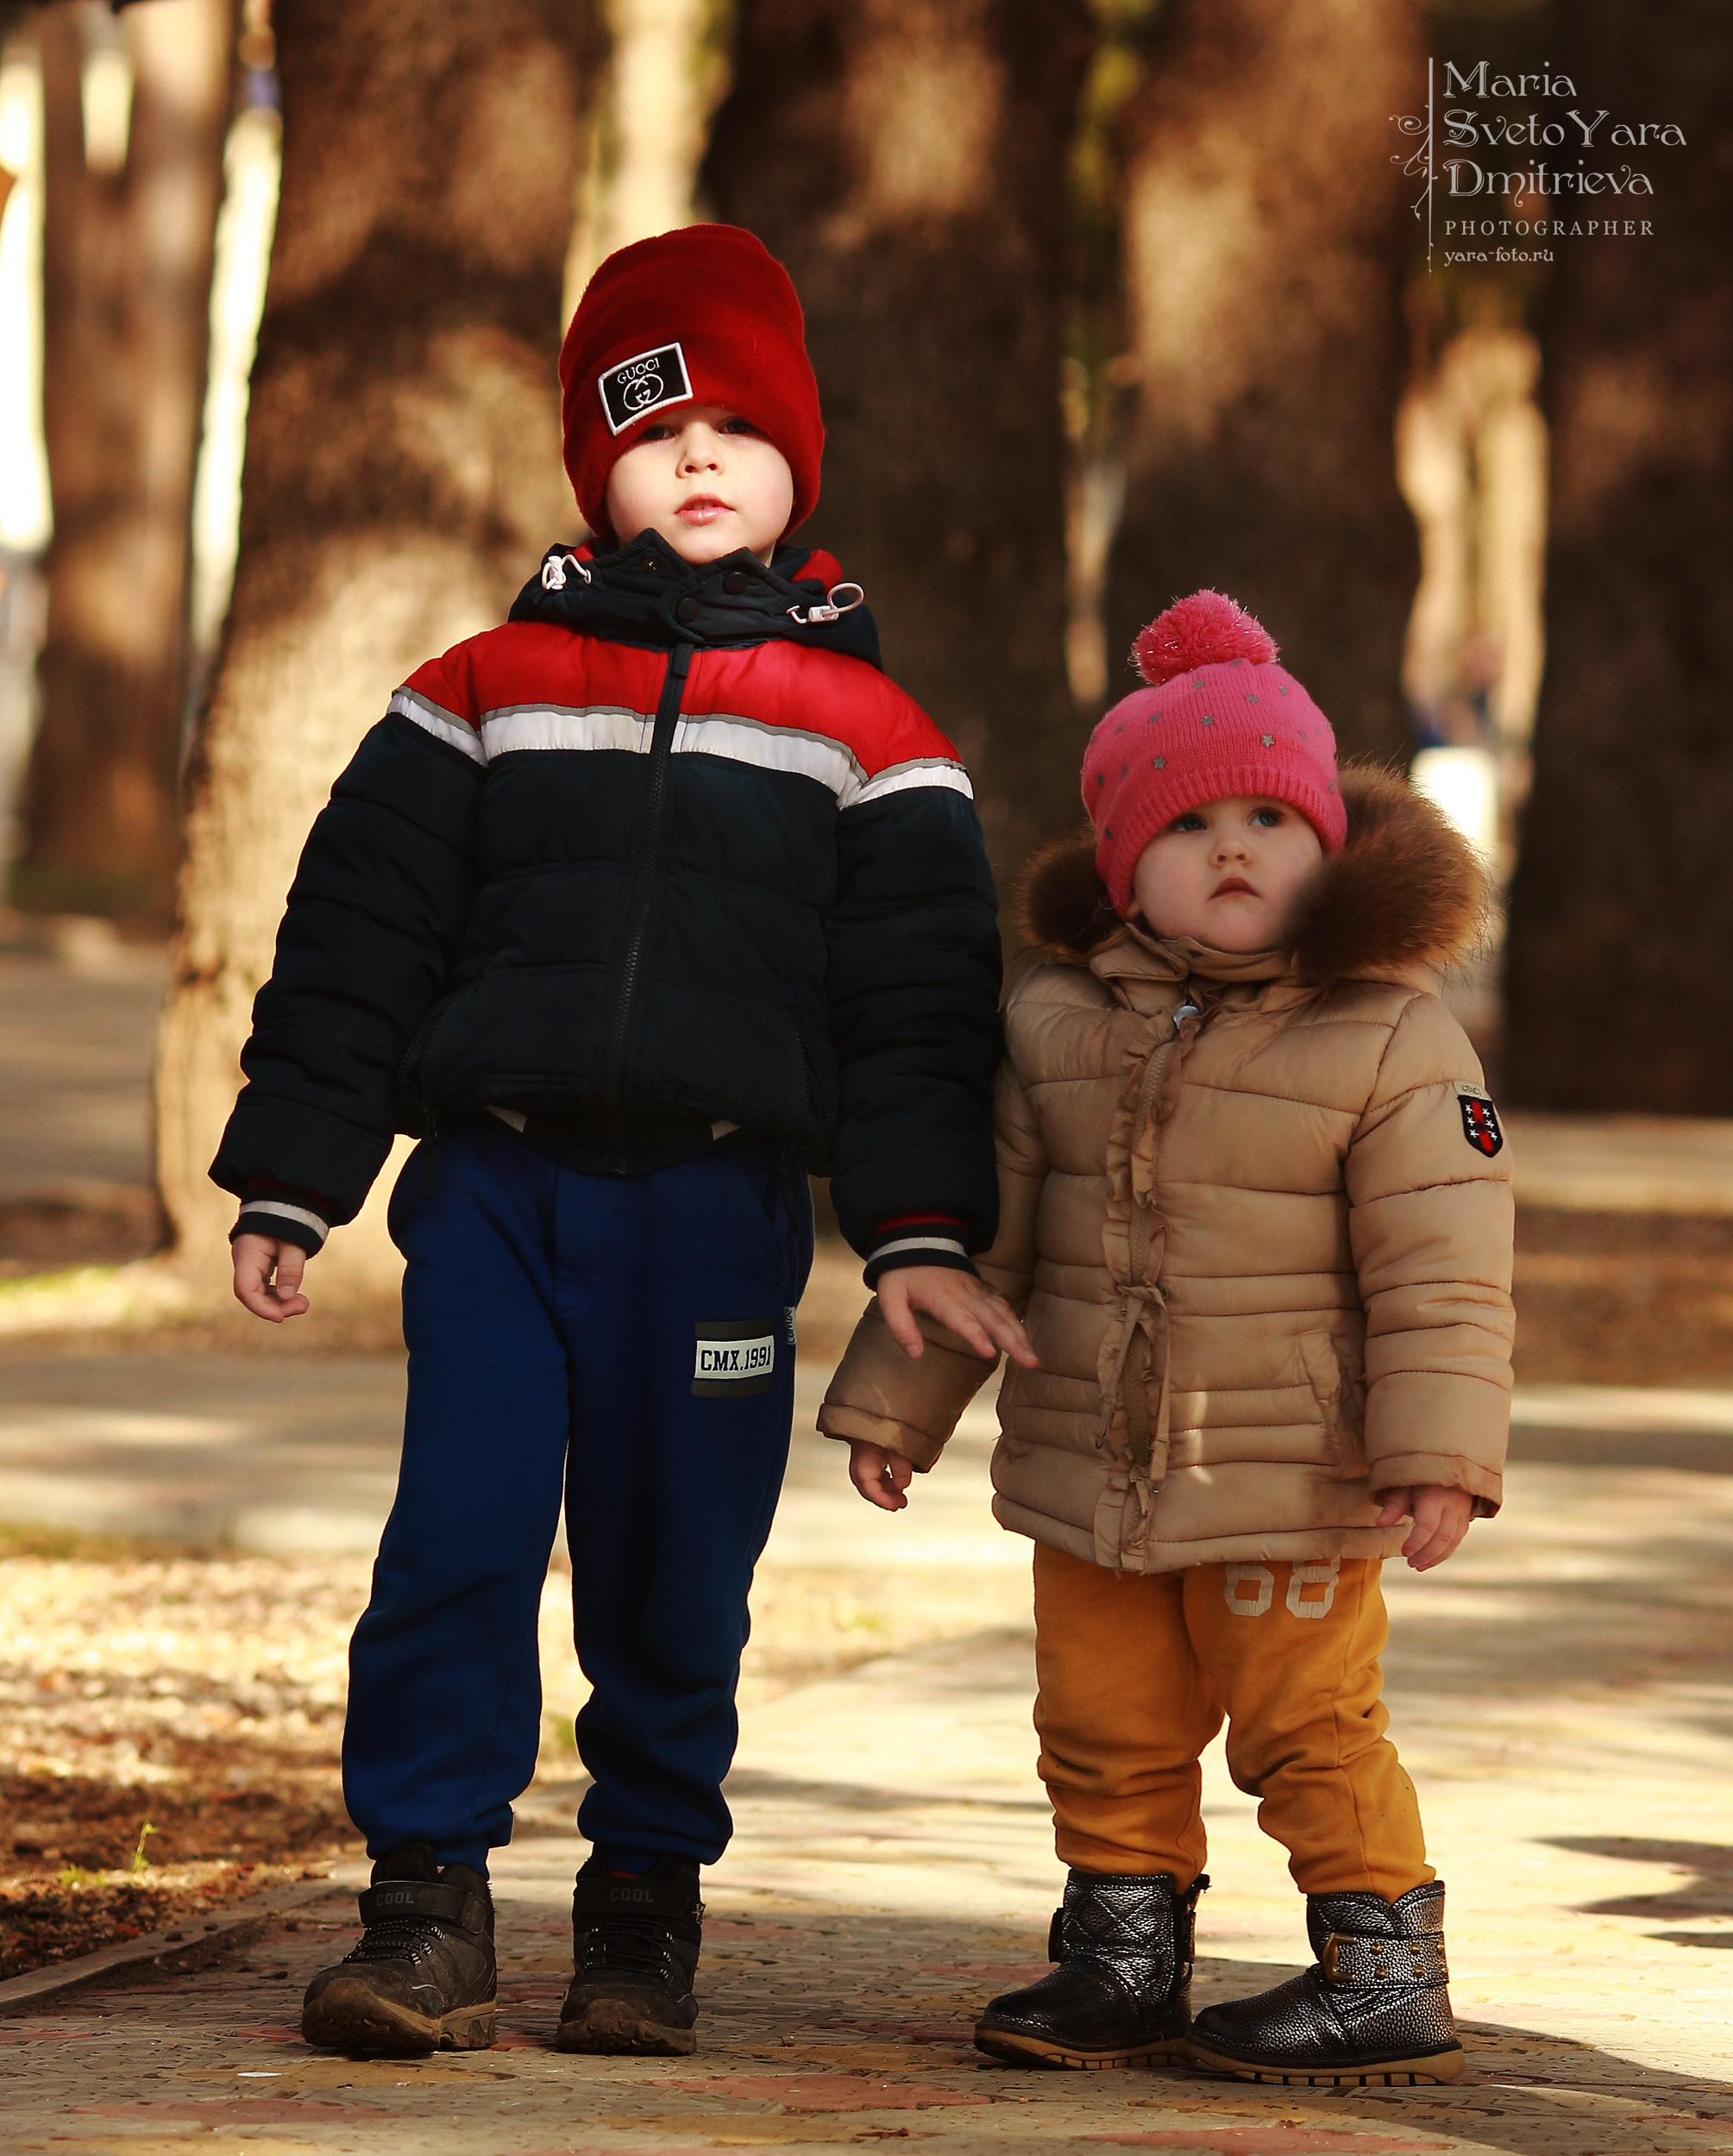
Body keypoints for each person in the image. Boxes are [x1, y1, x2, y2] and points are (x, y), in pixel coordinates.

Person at [215, 224, 1029, 2059]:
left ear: (797, 460)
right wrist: (297, 1165)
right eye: (663, 431)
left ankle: (643, 1899)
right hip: (500, 1193)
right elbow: (360, 938)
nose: (704, 458)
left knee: (676, 1565)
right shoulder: (485, 686)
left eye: (743, 427)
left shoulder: (872, 735)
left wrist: (913, 1227)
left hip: (719, 1210)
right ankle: (424, 1897)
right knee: (462, 1536)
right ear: (601, 466)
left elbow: (920, 1003)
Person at [819, 589, 1514, 2087]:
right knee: (1100, 1717)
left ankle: (1380, 1962)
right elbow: (982, 1237)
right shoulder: (1057, 1021)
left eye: (1272, 815)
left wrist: (1439, 1450)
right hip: (1091, 1460)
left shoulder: (1390, 1037)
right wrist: (898, 1404)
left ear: (1330, 844)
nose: (1236, 848)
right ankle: (1121, 1953)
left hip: (1291, 1467)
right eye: (1191, 827)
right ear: (1127, 867)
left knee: (1302, 1720)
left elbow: (1442, 1269)